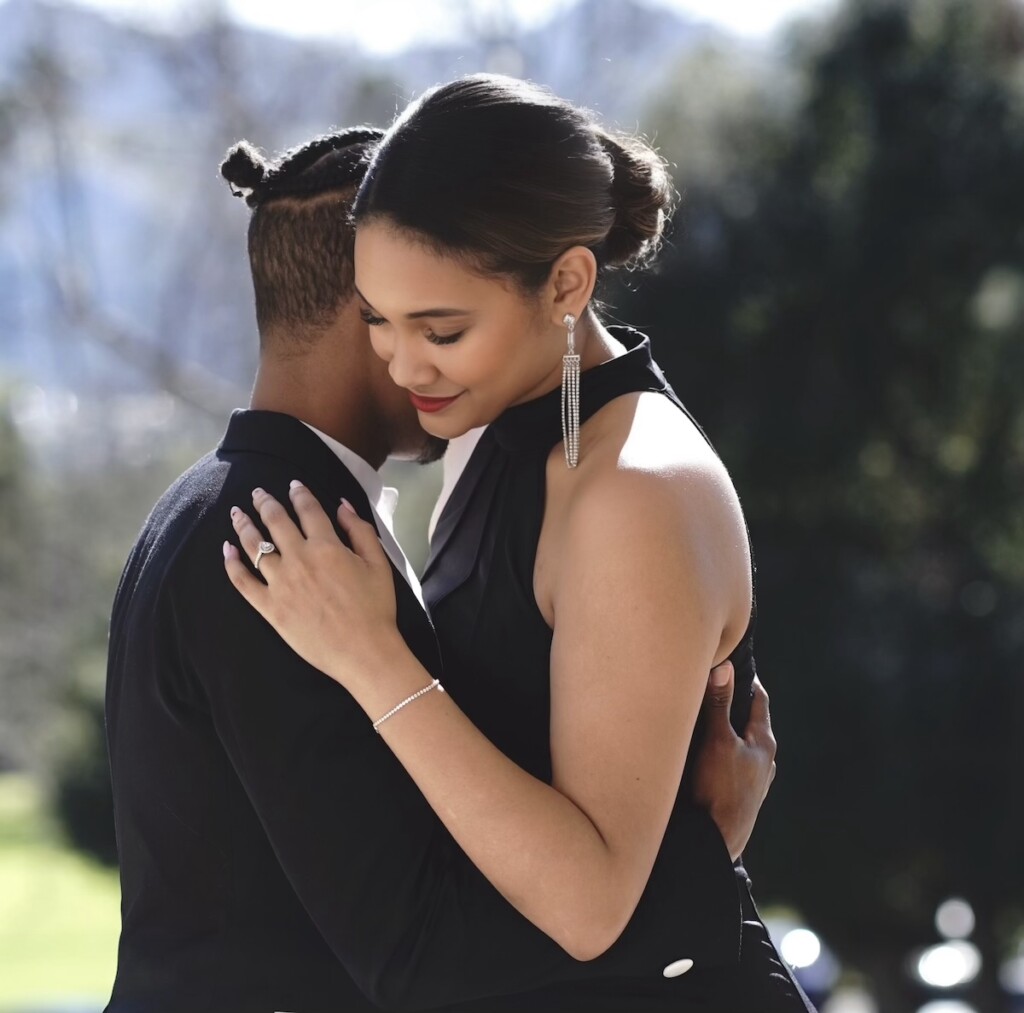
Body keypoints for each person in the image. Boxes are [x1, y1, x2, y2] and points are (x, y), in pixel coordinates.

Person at [104, 124, 780, 1013]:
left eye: (440, 325)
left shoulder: (245, 508)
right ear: (366, 293)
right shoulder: (279, 542)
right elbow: (419, 952)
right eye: (389, 321)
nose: (407, 357)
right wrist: (701, 870)